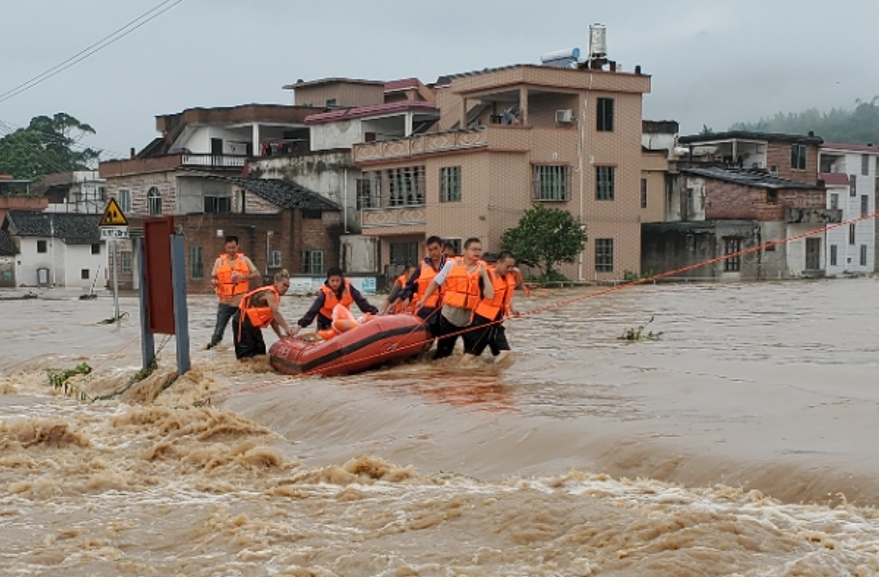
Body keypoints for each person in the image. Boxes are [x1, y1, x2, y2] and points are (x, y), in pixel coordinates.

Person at [417, 237, 494, 360]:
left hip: (469, 320)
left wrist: (484, 275)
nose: (477, 253)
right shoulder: (451, 264)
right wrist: (424, 300)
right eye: (474, 249)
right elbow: (436, 282)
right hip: (449, 317)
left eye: (479, 250)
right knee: (443, 355)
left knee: (469, 356)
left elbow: (490, 296)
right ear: (465, 250)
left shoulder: (482, 269)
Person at [207, 235, 261, 349]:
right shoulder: (219, 261)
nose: (231, 250)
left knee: (242, 329)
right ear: (225, 247)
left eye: (234, 247)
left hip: (241, 303)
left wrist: (243, 276)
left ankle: (245, 349)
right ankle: (212, 349)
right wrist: (214, 282)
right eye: (229, 248)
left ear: (238, 246)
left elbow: (256, 274)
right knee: (218, 331)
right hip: (225, 302)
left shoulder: (245, 260)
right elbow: (213, 278)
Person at [292, 267, 379, 334]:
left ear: (341, 279)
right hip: (325, 322)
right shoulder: (324, 294)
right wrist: (299, 327)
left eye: (337, 280)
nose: (335, 283)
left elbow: (362, 303)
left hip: (342, 321)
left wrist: (375, 312)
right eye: (332, 281)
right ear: (328, 280)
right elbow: (312, 311)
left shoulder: (349, 288)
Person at [470, 251, 520, 362]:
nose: (510, 269)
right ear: (499, 263)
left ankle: (491, 373)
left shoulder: (505, 278)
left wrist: (512, 309)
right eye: (508, 266)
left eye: (512, 266)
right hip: (482, 320)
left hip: (496, 321)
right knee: (471, 355)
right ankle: (460, 372)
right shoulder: (486, 275)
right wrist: (485, 276)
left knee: (504, 352)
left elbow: (503, 297)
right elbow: (489, 295)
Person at [233, 271, 294, 360]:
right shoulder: (270, 294)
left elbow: (272, 319)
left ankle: (260, 371)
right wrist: (287, 328)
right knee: (246, 351)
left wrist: (280, 335)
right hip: (241, 321)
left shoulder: (275, 297)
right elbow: (276, 313)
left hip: (252, 324)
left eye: (287, 286)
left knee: (260, 349)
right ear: (276, 283)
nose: (285, 288)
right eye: (284, 285)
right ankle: (244, 369)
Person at [397, 236, 447, 336]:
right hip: (426, 312)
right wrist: (407, 296)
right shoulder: (422, 266)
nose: (433, 252)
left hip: (445, 312)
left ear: (442, 248)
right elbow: (410, 285)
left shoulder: (451, 265)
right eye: (430, 250)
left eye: (435, 248)